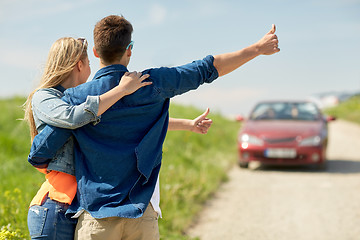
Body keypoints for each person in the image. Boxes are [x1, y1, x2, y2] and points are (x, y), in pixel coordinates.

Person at [28, 15, 279, 240]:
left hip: (96, 219)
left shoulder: (76, 98)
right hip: (141, 215)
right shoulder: (153, 83)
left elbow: (43, 148)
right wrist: (256, 49)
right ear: (130, 50)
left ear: (95, 52)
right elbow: (207, 68)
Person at [24, 37, 212, 240]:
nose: (91, 69)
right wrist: (121, 90)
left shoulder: (81, 99)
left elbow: (136, 122)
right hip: (55, 205)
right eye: (88, 63)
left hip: (77, 206)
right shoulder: (48, 97)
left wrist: (188, 125)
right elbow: (74, 117)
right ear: (80, 65)